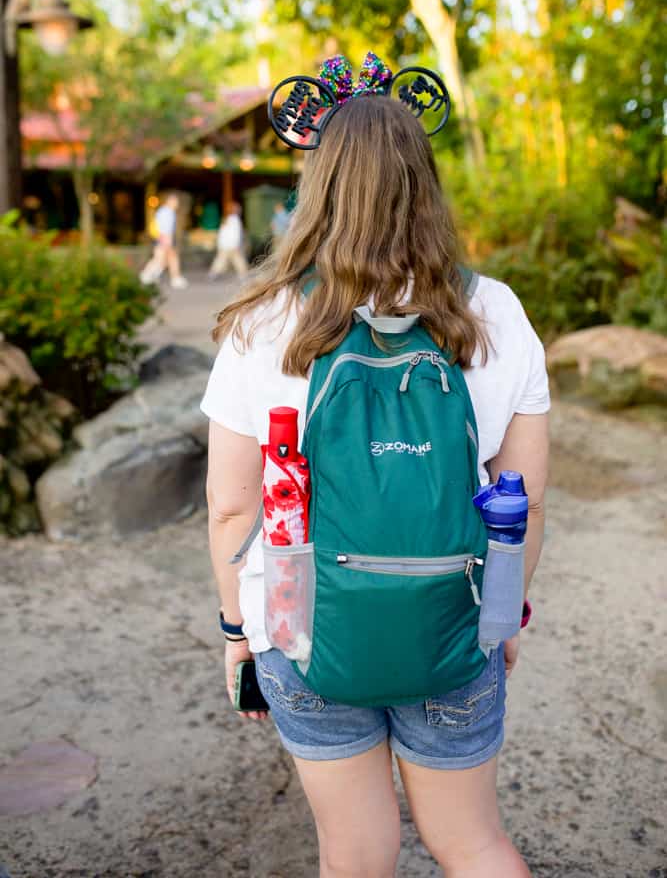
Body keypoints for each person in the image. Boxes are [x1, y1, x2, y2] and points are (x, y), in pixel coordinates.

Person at [200, 62, 549, 877]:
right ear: (424, 183)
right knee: (473, 843)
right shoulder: (492, 311)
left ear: (317, 183)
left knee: (354, 854)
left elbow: (228, 509)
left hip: (302, 630)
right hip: (453, 623)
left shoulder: (264, 321)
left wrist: (236, 631)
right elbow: (522, 499)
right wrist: (502, 616)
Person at [139, 192, 188, 289]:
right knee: (163, 258)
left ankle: (150, 275)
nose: (177, 204)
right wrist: (167, 240)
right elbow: (165, 228)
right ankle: (147, 275)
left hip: (162, 239)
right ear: (170, 201)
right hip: (164, 239)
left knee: (165, 258)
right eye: (176, 201)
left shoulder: (163, 211)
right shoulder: (167, 212)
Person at [208, 201, 249, 279]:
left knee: (221, 259)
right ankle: (243, 274)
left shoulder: (227, 219)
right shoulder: (235, 220)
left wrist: (220, 243)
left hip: (225, 244)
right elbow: (235, 234)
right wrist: (236, 244)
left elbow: (222, 233)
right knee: (237, 259)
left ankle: (213, 273)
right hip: (232, 244)